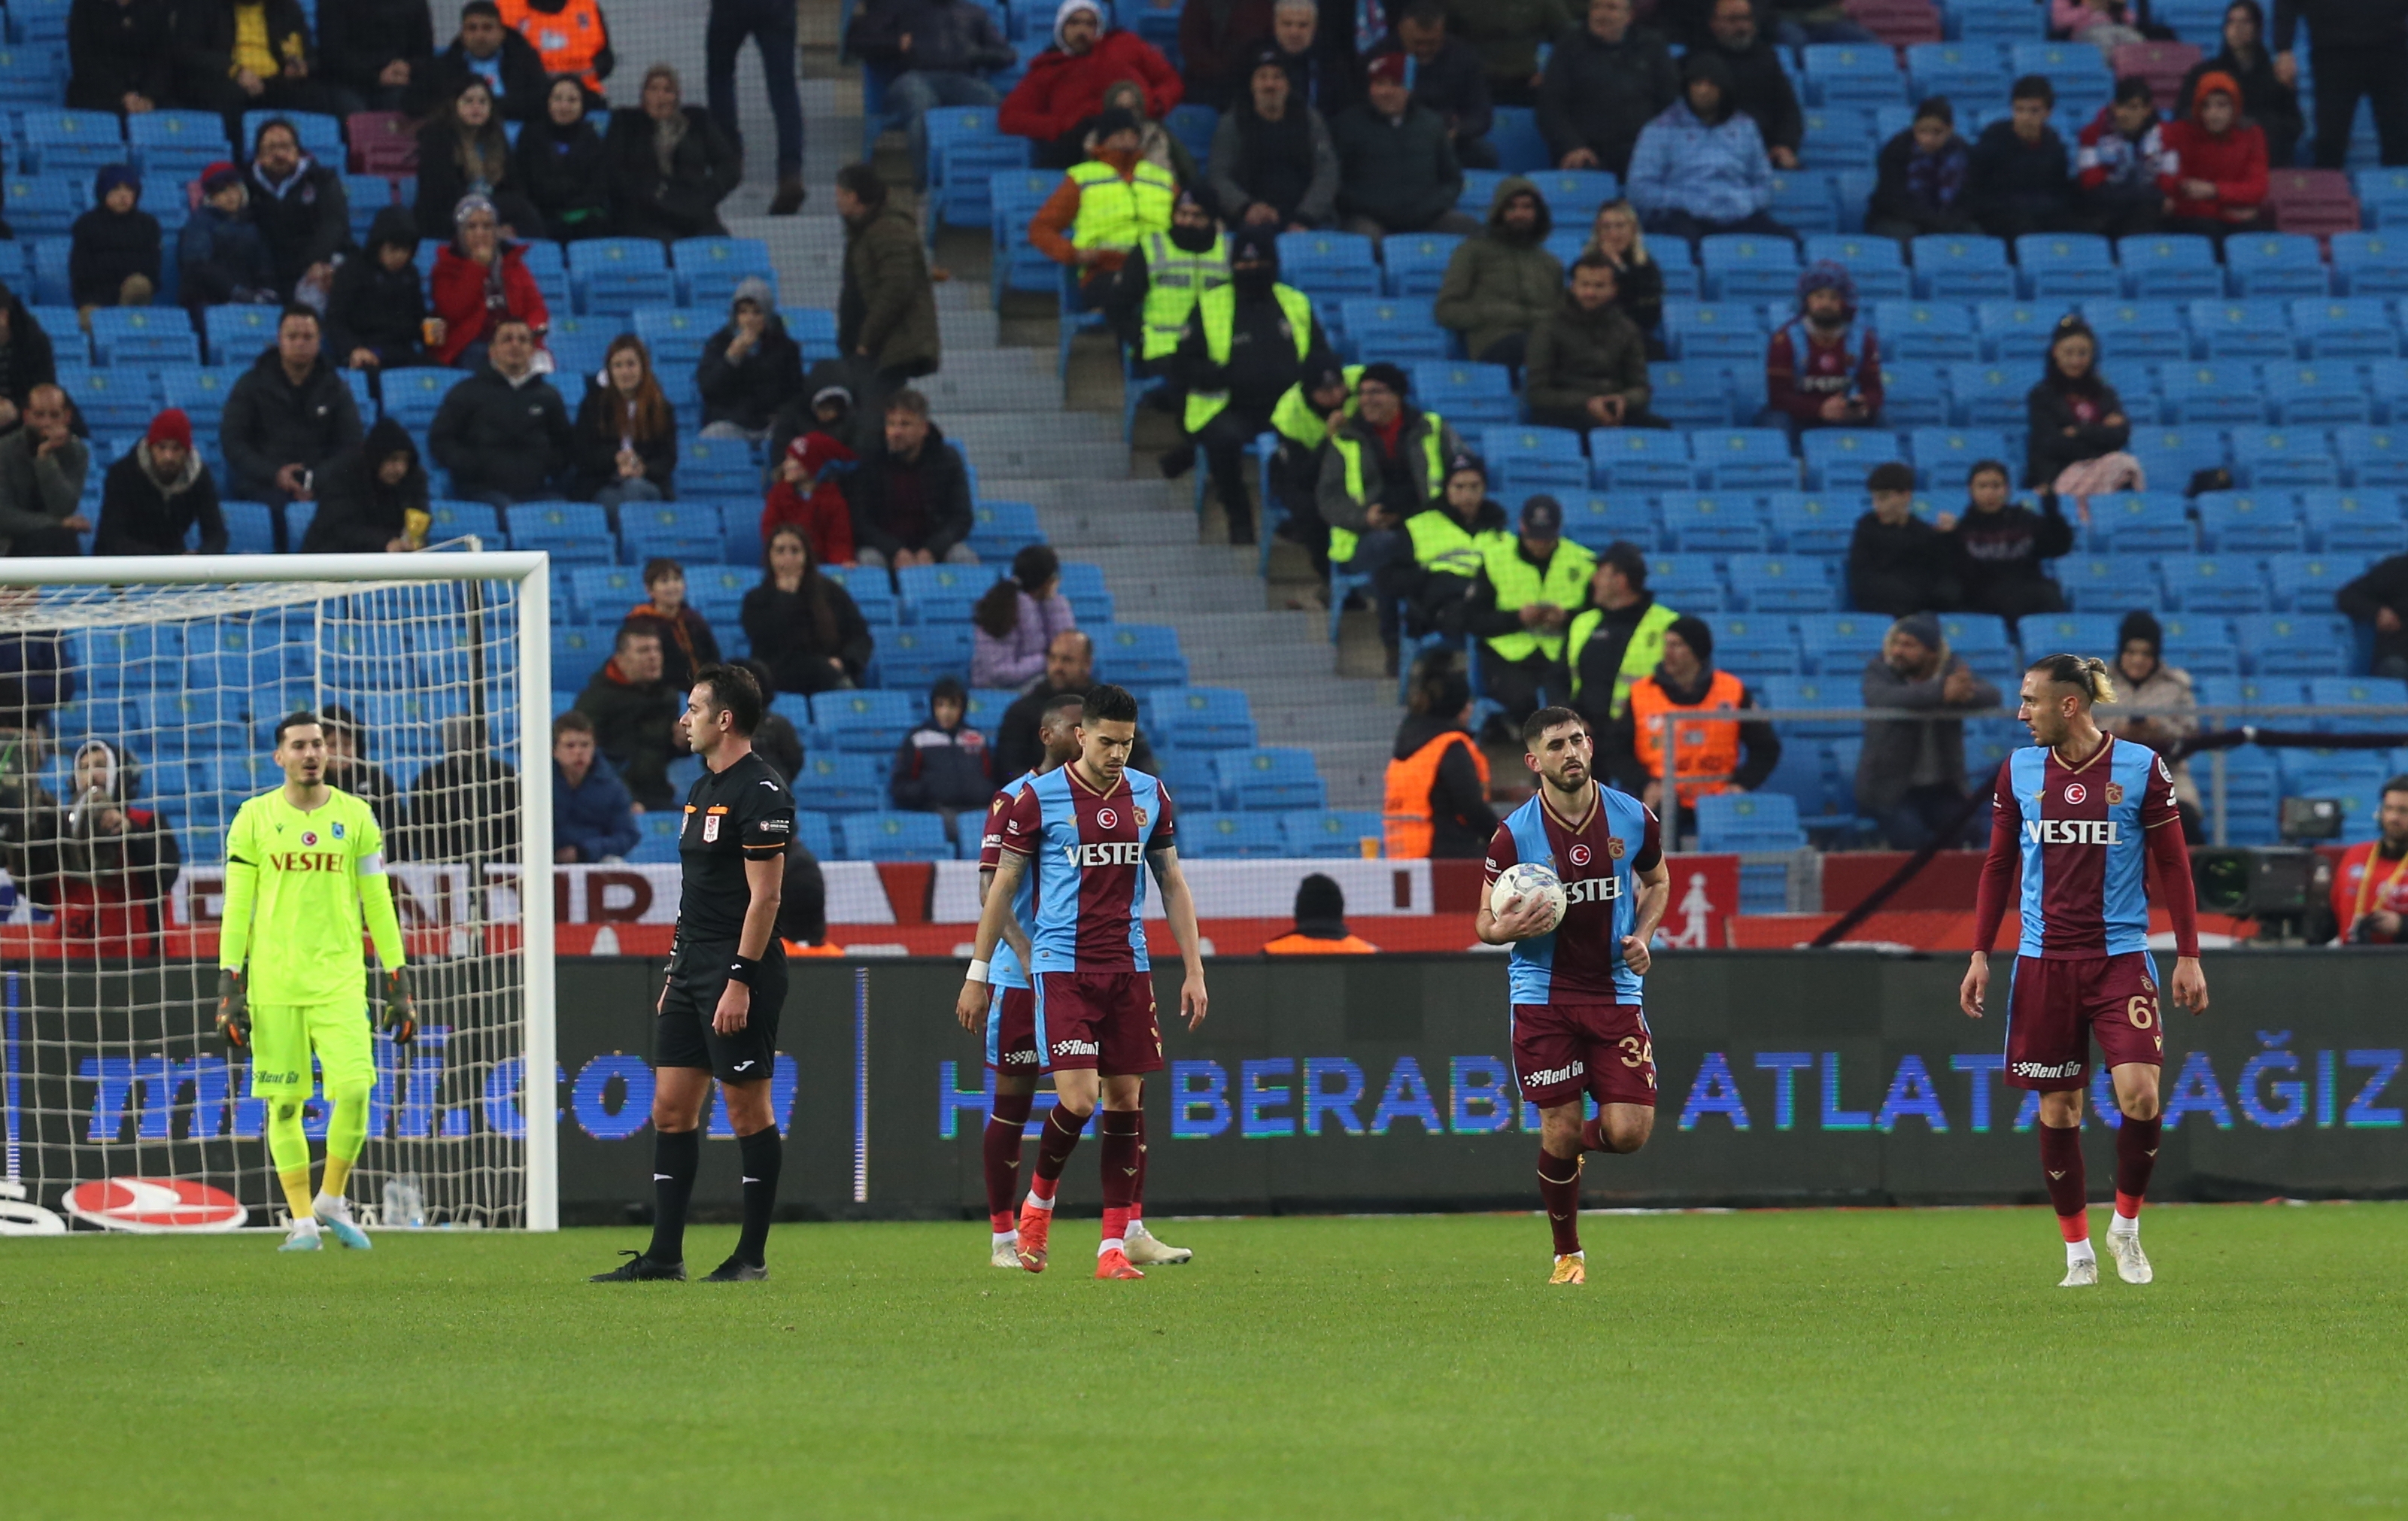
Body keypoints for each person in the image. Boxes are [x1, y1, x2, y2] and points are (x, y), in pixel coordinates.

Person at [1962, 653, 2207, 1288]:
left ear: (2068, 705)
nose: (2020, 713)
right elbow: (1996, 867)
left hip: (2120, 958)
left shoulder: (2140, 767)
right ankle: (2077, 1253)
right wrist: (1979, 954)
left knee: (2141, 1093)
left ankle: (2124, 1228)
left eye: (2030, 701)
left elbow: (2175, 866)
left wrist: (2187, 954)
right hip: (2043, 963)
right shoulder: (2017, 770)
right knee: (2060, 1109)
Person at [958, 682, 1209, 1280]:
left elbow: (1171, 882)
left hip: (1128, 966)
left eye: (1125, 743)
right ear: (1080, 735)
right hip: (1061, 967)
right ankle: (1036, 1208)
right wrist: (977, 971)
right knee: (1077, 1099)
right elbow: (1000, 888)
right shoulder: (1033, 799)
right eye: (1106, 742)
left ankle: (1112, 1248)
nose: (1117, 754)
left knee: (1126, 1102)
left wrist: (1194, 969)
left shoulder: (1150, 796)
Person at [591, 664, 791, 1284]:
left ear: (723, 719)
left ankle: (750, 1258)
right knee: (671, 1110)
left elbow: (766, 900)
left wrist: (738, 979)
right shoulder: (703, 787)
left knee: (747, 1113)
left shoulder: (762, 790)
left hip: (740, 969)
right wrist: (678, 971)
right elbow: (695, 893)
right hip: (692, 967)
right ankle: (664, 1256)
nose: (684, 719)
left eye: (694, 708)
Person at [1477, 705, 1670, 1286]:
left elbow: (1657, 881)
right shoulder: (1513, 835)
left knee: (1629, 1134)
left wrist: (1643, 935)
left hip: (1614, 990)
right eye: (1558, 744)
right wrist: (1505, 930)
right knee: (1558, 1126)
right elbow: (1484, 923)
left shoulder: (1632, 817)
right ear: (1535, 761)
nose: (1572, 752)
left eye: (1579, 740)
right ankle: (1568, 1254)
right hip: (1542, 993)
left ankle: (1562, 1152)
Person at [214, 711, 415, 1253]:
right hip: (274, 984)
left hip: (341, 981)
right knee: (283, 1105)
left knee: (354, 1087)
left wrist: (397, 978)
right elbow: (237, 906)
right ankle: (302, 1221)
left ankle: (332, 1197)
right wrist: (229, 982)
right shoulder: (253, 818)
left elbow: (377, 899)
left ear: (329, 754)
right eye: (299, 745)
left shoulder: (357, 816)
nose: (310, 753)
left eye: (318, 745)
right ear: (279, 756)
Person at [1171, 225, 1332, 545]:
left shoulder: (1296, 303)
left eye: (1259, 263)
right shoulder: (1210, 303)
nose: (1251, 269)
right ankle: (1239, 517)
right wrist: (1215, 375)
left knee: (1312, 445)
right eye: (1243, 264)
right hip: (1229, 405)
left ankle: (1299, 519)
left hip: (1290, 408)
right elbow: (1183, 364)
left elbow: (1319, 357)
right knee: (1224, 440)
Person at [1317, 363, 1463, 663]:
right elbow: (1328, 498)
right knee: (1392, 554)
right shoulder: (1347, 438)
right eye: (1362, 393)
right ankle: (1394, 644)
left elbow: (1465, 470)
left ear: (1397, 395)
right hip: (1368, 538)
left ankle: (1434, 642)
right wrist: (1364, 518)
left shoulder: (1431, 428)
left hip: (1428, 530)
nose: (1367, 399)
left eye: (1376, 392)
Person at [17, 737, 180, 958]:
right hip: (68, 962)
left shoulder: (147, 822)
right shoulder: (59, 829)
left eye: (101, 765)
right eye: (84, 768)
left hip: (139, 961)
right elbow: (41, 897)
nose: (92, 776)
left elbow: (166, 875)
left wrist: (129, 831)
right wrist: (20, 855)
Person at [1607, 615, 1781, 812]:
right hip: (1664, 798)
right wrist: (1645, 784)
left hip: (1718, 797)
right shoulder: (1642, 693)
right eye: (1666, 644)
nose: (1667, 652)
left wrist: (1741, 784)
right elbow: (1615, 751)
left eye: (1677, 645)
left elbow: (1766, 748)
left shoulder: (1731, 691)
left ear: (1697, 651)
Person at [1857, 612, 2001, 849]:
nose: (1897, 651)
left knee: (1968, 831)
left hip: (1941, 787)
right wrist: (1941, 693)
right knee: (1910, 838)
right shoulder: (1880, 669)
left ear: (1931, 652)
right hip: (1890, 789)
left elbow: (1992, 694)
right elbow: (1885, 698)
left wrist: (1963, 693)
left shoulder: (1951, 667)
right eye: (1896, 643)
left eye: (1909, 645)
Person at [1626, 50, 1787, 245]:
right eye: (1697, 84)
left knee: (1785, 241)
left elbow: (1765, 183)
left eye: (1711, 84)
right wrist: (1686, 200)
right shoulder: (1659, 129)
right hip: (1683, 216)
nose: (1703, 91)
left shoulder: (1745, 126)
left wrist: (1746, 201)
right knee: (1683, 244)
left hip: (1737, 213)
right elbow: (1639, 189)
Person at [998, 0, 1183, 169]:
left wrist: (1154, 102)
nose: (1082, 30)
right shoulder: (1047, 70)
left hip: (1137, 130)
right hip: (1078, 144)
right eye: (1074, 23)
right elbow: (1010, 117)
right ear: (1061, 27)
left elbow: (1170, 80)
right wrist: (1061, 125)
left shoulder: (1125, 45)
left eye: (1090, 24)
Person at [1463, 496, 1599, 728]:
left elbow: (1597, 617)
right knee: (1522, 701)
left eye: (1546, 538)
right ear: (1522, 527)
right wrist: (1517, 619)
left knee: (1574, 699)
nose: (1540, 544)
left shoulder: (1584, 561)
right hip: (1508, 656)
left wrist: (1566, 618)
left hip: (1562, 654)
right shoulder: (1496, 559)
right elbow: (1473, 620)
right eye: (1534, 537)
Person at [1029, 105, 1180, 311]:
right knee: (1136, 298)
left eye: (1131, 132)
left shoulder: (1161, 178)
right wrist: (1072, 253)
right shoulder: (1083, 178)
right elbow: (1040, 228)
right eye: (1118, 132)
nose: (1126, 137)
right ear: (1104, 139)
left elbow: (1185, 219)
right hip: (1104, 271)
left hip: (1161, 270)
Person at [846, 0, 1013, 180]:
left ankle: (989, 179)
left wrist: (977, 54)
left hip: (961, 80)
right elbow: (857, 42)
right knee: (922, 104)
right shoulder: (900, 8)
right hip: (915, 77)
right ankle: (926, 185)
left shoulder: (973, 13)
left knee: (995, 105)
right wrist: (895, 43)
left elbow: (1008, 55)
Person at [222, 306, 365, 515]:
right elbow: (233, 442)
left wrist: (314, 479)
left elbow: (352, 446)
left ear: (319, 341)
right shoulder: (251, 384)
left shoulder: (336, 388)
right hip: (264, 486)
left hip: (323, 486)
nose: (300, 343)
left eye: (308, 337)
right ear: (279, 339)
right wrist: (275, 474)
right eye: (292, 336)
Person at [428, 316, 575, 506]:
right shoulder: (467, 391)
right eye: (507, 339)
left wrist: (546, 465)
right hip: (482, 492)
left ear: (532, 350)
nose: (515, 345)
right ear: (492, 350)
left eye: (523, 340)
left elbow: (565, 444)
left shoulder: (548, 396)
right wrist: (470, 465)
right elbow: (440, 439)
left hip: (537, 491)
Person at [1328, 52, 1476, 241]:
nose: (1385, 92)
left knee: (1470, 230)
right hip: (1369, 218)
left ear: (1409, 88)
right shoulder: (1347, 125)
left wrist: (1428, 208)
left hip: (1426, 218)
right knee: (1367, 239)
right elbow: (1335, 182)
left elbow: (1452, 179)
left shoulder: (1431, 124)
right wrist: (1374, 207)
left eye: (1394, 84)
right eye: (1379, 84)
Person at [1537, 0, 1678, 179]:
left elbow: (1669, 104)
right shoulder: (1568, 46)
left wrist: (1656, 146)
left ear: (1630, 16)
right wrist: (1572, 146)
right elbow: (1551, 107)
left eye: (1611, 8)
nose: (1601, 15)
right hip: (1586, 151)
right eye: (1596, 7)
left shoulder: (1652, 46)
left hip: (1641, 149)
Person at [2094, 610, 2202, 842]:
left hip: (2167, 771)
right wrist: (2119, 731)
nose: (2138, 660)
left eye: (2146, 653)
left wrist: (2158, 728)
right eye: (2131, 652)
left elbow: (2191, 733)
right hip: (2108, 773)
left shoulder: (2176, 685)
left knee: (2187, 820)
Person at [1207, 46, 1341, 231]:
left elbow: (1327, 172)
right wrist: (1246, 207)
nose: (1270, 85)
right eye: (1262, 77)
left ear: (1288, 84)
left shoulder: (1310, 120)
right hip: (1252, 219)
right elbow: (1218, 176)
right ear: (1252, 84)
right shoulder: (1233, 122)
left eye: (1277, 77)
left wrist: (1305, 216)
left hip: (1306, 219)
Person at [993, 629, 1160, 778]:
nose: (1057, 667)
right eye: (1053, 658)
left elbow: (1141, 758)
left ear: (1087, 664)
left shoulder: (1111, 707)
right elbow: (1008, 768)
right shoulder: (1023, 710)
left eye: (1067, 660)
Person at [1524, 256, 1665, 431]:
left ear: (1614, 289)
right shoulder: (1548, 328)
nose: (1590, 293)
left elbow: (1641, 387)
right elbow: (1537, 393)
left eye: (1599, 286)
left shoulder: (1627, 329)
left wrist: (1623, 400)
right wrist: (1588, 403)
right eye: (1585, 285)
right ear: (1573, 287)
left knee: (1658, 428)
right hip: (1565, 413)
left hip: (1615, 409)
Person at [1433, 178, 1560, 372]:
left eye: (1527, 207)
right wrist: (1491, 315)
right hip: (1495, 343)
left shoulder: (1550, 263)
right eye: (1511, 207)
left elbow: (1562, 313)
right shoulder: (1472, 252)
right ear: (1499, 212)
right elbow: (1446, 310)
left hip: (1545, 341)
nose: (1520, 214)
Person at [605, 64, 741, 241]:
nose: (660, 96)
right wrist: (647, 194)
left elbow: (729, 166)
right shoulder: (626, 122)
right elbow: (611, 169)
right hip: (644, 216)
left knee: (718, 247)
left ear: (677, 96)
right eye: (653, 89)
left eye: (668, 90)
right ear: (643, 94)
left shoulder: (697, 121)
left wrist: (706, 194)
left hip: (693, 212)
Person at [1107, 189, 1228, 390]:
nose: (1188, 222)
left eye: (1197, 216)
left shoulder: (1228, 252)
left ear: (1212, 219)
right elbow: (1118, 305)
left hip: (1217, 349)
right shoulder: (1151, 249)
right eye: (1182, 214)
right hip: (1164, 350)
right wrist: (1140, 339)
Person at [836, 163, 941, 392]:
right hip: (867, 349)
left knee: (878, 415)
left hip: (886, 348)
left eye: (840, 195)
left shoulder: (889, 229)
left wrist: (867, 339)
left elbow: (897, 288)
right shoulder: (863, 231)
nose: (837, 202)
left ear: (853, 197)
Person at [1387, 451, 1510, 644]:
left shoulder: (1500, 530)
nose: (1467, 495)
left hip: (1489, 601)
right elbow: (1391, 578)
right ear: (1446, 488)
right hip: (1442, 604)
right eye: (1459, 487)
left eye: (1474, 487)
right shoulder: (1419, 525)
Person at [173, 0, 351, 129]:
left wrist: (302, 67)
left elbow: (311, 56)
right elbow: (188, 53)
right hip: (227, 81)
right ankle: (238, 164)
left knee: (323, 99)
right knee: (228, 98)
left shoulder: (286, 8)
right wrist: (235, 71)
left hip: (276, 82)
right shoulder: (202, 6)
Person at [849, 389, 976, 569]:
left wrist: (932, 550)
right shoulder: (869, 460)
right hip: (884, 549)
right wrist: (895, 550)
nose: (896, 432)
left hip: (933, 548)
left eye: (905, 424)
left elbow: (962, 518)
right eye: (891, 424)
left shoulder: (947, 460)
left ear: (923, 428)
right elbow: (859, 520)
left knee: (964, 558)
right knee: (868, 561)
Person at [742, 524, 874, 696]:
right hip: (777, 678)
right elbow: (765, 641)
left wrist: (844, 662)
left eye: (795, 551)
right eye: (780, 551)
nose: (788, 558)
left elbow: (860, 635)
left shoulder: (831, 592)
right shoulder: (756, 599)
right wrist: (786, 598)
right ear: (770, 557)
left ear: (806, 556)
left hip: (828, 676)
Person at [2274, 0, 2408, 169]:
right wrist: (2284, 49)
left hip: (2389, 49)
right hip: (2333, 53)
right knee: (2330, 140)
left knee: (2398, 136)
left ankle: (2399, 193)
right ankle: (2327, 193)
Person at [1565, 539, 1681, 735]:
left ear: (1620, 581)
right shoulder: (1582, 623)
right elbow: (1559, 678)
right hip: (1582, 738)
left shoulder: (1668, 626)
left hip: (1641, 734)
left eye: (1601, 574)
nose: (1594, 580)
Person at [1383, 663, 1496, 858]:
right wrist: (1507, 841)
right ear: (1457, 707)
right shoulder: (1450, 746)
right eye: (1467, 702)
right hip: (1445, 854)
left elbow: (1438, 795)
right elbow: (1472, 808)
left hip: (1402, 853)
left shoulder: (1407, 745)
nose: (1471, 708)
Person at [1365, 0, 1495, 168]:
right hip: (1393, 139)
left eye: (1432, 42)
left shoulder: (1463, 57)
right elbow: (1363, 108)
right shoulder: (1379, 58)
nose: (1424, 49)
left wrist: (1458, 131)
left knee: (1485, 156)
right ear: (1401, 31)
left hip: (1449, 141)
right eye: (1417, 43)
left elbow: (1481, 113)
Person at [414, 77, 545, 241]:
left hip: (490, 211)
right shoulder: (437, 137)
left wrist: (504, 226)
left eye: (483, 102)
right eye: (469, 101)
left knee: (526, 213)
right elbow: (441, 194)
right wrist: (486, 225)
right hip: (448, 217)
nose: (476, 107)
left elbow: (513, 187)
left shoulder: (496, 137)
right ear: (454, 105)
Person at [432, 194, 548, 369]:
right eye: (472, 227)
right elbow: (453, 311)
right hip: (472, 345)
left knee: (542, 364)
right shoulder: (446, 267)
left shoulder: (513, 263)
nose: (480, 233)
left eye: (487, 226)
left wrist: (529, 332)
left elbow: (536, 307)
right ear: (460, 233)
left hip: (515, 340)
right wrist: (477, 268)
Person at [2181, 1, 2302, 171]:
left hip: (2264, 163)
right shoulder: (2204, 74)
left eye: (2245, 22)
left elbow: (2294, 124)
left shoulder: (2275, 78)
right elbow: (2184, 114)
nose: (2237, 28)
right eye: (2231, 22)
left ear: (2258, 28)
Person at [1764, 261, 1882, 435]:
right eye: (1819, 296)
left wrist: (1862, 404)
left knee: (1881, 418)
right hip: (1799, 416)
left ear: (1843, 302)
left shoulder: (1863, 338)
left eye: (1833, 298)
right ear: (1807, 300)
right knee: (1777, 422)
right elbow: (1778, 397)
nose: (1826, 304)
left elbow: (1875, 390)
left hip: (1844, 413)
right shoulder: (1785, 339)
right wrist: (1820, 409)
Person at [1948, 459, 2071, 624]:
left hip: (2026, 591)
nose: (1990, 492)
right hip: (1983, 598)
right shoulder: (1962, 529)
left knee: (2049, 593)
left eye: (1996, 486)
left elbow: (2059, 547)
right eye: (1983, 486)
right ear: (1971, 490)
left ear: (2007, 490)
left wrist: (2052, 513)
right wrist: (1946, 536)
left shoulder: (2026, 521)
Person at [244, 118, 352, 306]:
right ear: (258, 155)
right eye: (271, 148)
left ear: (297, 151)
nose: (279, 154)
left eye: (286, 147)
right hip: (271, 271)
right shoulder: (245, 185)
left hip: (315, 264)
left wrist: (317, 261)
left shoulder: (323, 179)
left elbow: (333, 225)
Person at [574, 624, 682, 809]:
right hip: (611, 799)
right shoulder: (595, 701)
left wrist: (682, 744)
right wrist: (624, 799)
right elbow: (592, 759)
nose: (653, 657)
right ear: (620, 660)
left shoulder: (668, 696)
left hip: (659, 793)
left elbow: (662, 750)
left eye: (657, 650)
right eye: (643, 651)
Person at [96, 408, 228, 556]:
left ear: (187, 451)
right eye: (162, 447)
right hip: (125, 566)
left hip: (174, 566)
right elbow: (112, 538)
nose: (168, 456)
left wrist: (199, 555)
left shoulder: (200, 477)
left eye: (176, 448)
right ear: (151, 447)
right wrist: (164, 559)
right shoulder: (122, 474)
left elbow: (217, 534)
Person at [2156, 71, 2270, 243]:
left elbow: (2257, 188)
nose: (2213, 114)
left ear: (2235, 107)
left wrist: (2213, 191)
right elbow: (2172, 183)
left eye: (2221, 105)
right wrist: (2225, 207)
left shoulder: (2252, 134)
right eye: (2206, 106)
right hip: (2196, 220)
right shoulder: (2179, 132)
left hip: (2233, 220)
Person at [2024, 314, 2132, 494]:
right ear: (2056, 352)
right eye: (2069, 353)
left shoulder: (2105, 393)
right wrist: (2100, 440)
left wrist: (2079, 431)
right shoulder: (2041, 395)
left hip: (2105, 477)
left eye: (2082, 353)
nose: (2076, 361)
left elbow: (2121, 434)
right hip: (2057, 476)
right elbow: (2051, 444)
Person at [573, 334, 678, 511]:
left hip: (646, 482)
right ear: (610, 370)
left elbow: (667, 458)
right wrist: (616, 459)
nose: (625, 372)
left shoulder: (661, 407)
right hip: (603, 484)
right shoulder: (594, 404)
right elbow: (582, 454)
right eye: (618, 366)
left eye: (631, 364)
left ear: (643, 368)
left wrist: (642, 468)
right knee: (621, 500)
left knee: (634, 489)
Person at [399, 713, 521, 865]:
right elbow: (422, 832)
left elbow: (515, 826)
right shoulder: (431, 780)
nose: (483, 744)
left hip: (499, 864)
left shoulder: (504, 775)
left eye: (484, 737)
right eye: (474, 739)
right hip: (447, 866)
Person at [299, 415, 427, 554]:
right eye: (393, 459)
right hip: (333, 559)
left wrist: (412, 538)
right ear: (377, 458)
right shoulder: (345, 475)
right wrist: (385, 543)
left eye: (405, 461)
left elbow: (419, 514)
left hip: (387, 563)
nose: (400, 469)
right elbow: (339, 528)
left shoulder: (413, 480)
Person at [1969, 75, 2079, 238]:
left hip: (2042, 214)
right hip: (2002, 215)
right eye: (2019, 110)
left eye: (2034, 111)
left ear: (2048, 113)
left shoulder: (2055, 146)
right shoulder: (1994, 139)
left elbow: (2059, 191)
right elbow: (1978, 189)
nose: (2026, 117)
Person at [697, 276, 803, 443]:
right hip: (731, 423)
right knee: (712, 437)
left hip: (770, 426)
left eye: (757, 312)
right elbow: (708, 389)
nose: (749, 319)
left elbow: (794, 394)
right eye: (743, 312)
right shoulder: (718, 344)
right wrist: (731, 358)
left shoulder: (785, 347)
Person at [761, 384, 859, 566]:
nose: (787, 465)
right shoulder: (778, 494)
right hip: (784, 563)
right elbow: (770, 532)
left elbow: (839, 542)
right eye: (788, 458)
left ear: (814, 467)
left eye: (796, 460)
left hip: (821, 570)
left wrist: (843, 561)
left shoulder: (834, 501)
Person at [327, 206, 433, 372]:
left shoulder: (410, 275)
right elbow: (335, 319)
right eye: (393, 249)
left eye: (405, 250)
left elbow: (418, 319)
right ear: (379, 244)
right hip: (366, 352)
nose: (400, 256)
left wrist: (431, 328)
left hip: (403, 354)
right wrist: (353, 349)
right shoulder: (353, 270)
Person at [1848, 461, 1957, 616]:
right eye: (1874, 499)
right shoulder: (1866, 529)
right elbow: (1862, 579)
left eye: (1883, 499)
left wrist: (1950, 537)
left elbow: (1941, 577)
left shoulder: (1924, 534)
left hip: (1920, 614)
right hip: (1881, 611)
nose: (1877, 506)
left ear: (1906, 496)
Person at [1705, 0, 1803, 169]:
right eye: (1733, 20)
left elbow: (1788, 110)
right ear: (1714, 23)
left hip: (1766, 153)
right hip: (1712, 154)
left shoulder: (1767, 58)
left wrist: (1785, 145)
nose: (1742, 27)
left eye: (1746, 19)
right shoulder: (1700, 62)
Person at [417, 0, 551, 122]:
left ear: (501, 33)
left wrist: (484, 106)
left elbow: (539, 102)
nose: (479, 36)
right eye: (472, 28)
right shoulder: (446, 66)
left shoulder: (524, 61)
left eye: (487, 28)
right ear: (462, 34)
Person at [1867, 96, 1978, 242]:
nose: (1928, 139)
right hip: (1899, 218)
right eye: (1922, 131)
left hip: (1948, 219)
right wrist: (1933, 220)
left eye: (1937, 132)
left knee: (1974, 234)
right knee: (1905, 235)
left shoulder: (1964, 154)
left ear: (1950, 129)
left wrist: (1949, 220)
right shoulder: (1897, 150)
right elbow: (1891, 199)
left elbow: (1970, 199)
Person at [518, 74, 612, 240]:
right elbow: (526, 182)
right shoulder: (530, 136)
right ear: (548, 101)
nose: (564, 106)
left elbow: (599, 185)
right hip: (541, 218)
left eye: (572, 100)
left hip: (584, 221)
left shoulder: (592, 139)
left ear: (583, 105)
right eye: (558, 99)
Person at [177, 162, 281, 311]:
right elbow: (199, 264)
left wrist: (268, 290)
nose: (230, 196)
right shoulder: (199, 223)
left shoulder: (252, 223)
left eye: (233, 188)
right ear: (211, 197)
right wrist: (235, 291)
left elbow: (264, 263)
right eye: (222, 190)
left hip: (250, 302)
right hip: (209, 303)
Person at [0, 388, 92, 557]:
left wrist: (46, 459)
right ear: (27, 416)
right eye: (39, 415)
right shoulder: (4, 450)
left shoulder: (77, 452)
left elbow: (63, 507)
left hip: (53, 538)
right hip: (8, 543)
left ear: (67, 416)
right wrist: (58, 523)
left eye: (55, 415)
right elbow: (3, 516)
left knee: (62, 539)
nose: (46, 423)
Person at [2076, 77, 2169, 240]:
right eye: (2121, 106)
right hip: (2107, 210)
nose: (2125, 114)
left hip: (2145, 210)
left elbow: (2168, 181)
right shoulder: (2092, 135)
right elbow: (2091, 181)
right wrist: (2142, 195)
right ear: (2113, 106)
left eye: (2133, 107)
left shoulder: (2165, 137)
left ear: (2147, 110)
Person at [973, 545, 1077, 690]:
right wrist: (1046, 660)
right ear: (1048, 581)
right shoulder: (1001, 606)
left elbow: (1068, 646)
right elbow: (999, 673)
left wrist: (1054, 603)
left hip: (1037, 685)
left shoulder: (1051, 603)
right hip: (997, 691)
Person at [890, 675, 994, 815]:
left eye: (953, 706)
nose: (947, 712)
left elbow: (993, 776)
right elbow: (900, 785)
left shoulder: (977, 738)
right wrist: (927, 791)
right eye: (941, 705)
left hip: (980, 809)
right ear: (933, 707)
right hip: (937, 811)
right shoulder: (918, 739)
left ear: (962, 708)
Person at [1440, 0, 1571, 108]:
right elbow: (1443, 40)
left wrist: (1550, 74)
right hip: (1474, 82)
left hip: (1527, 82)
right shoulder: (1456, 4)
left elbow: (1569, 39)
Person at [68, 165, 161, 316]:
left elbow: (151, 268)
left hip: (132, 299)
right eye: (116, 189)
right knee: (89, 318)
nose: (123, 195)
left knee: (140, 284)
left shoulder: (148, 225)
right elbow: (81, 272)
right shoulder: (86, 224)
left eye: (129, 189)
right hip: (95, 300)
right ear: (104, 192)